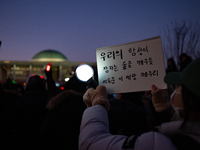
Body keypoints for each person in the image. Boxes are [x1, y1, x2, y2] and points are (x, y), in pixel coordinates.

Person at [79, 57, 200, 150]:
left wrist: (97, 104)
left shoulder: (157, 144)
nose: (175, 89)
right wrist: (170, 110)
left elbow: (90, 144)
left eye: (179, 86)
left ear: (190, 99)